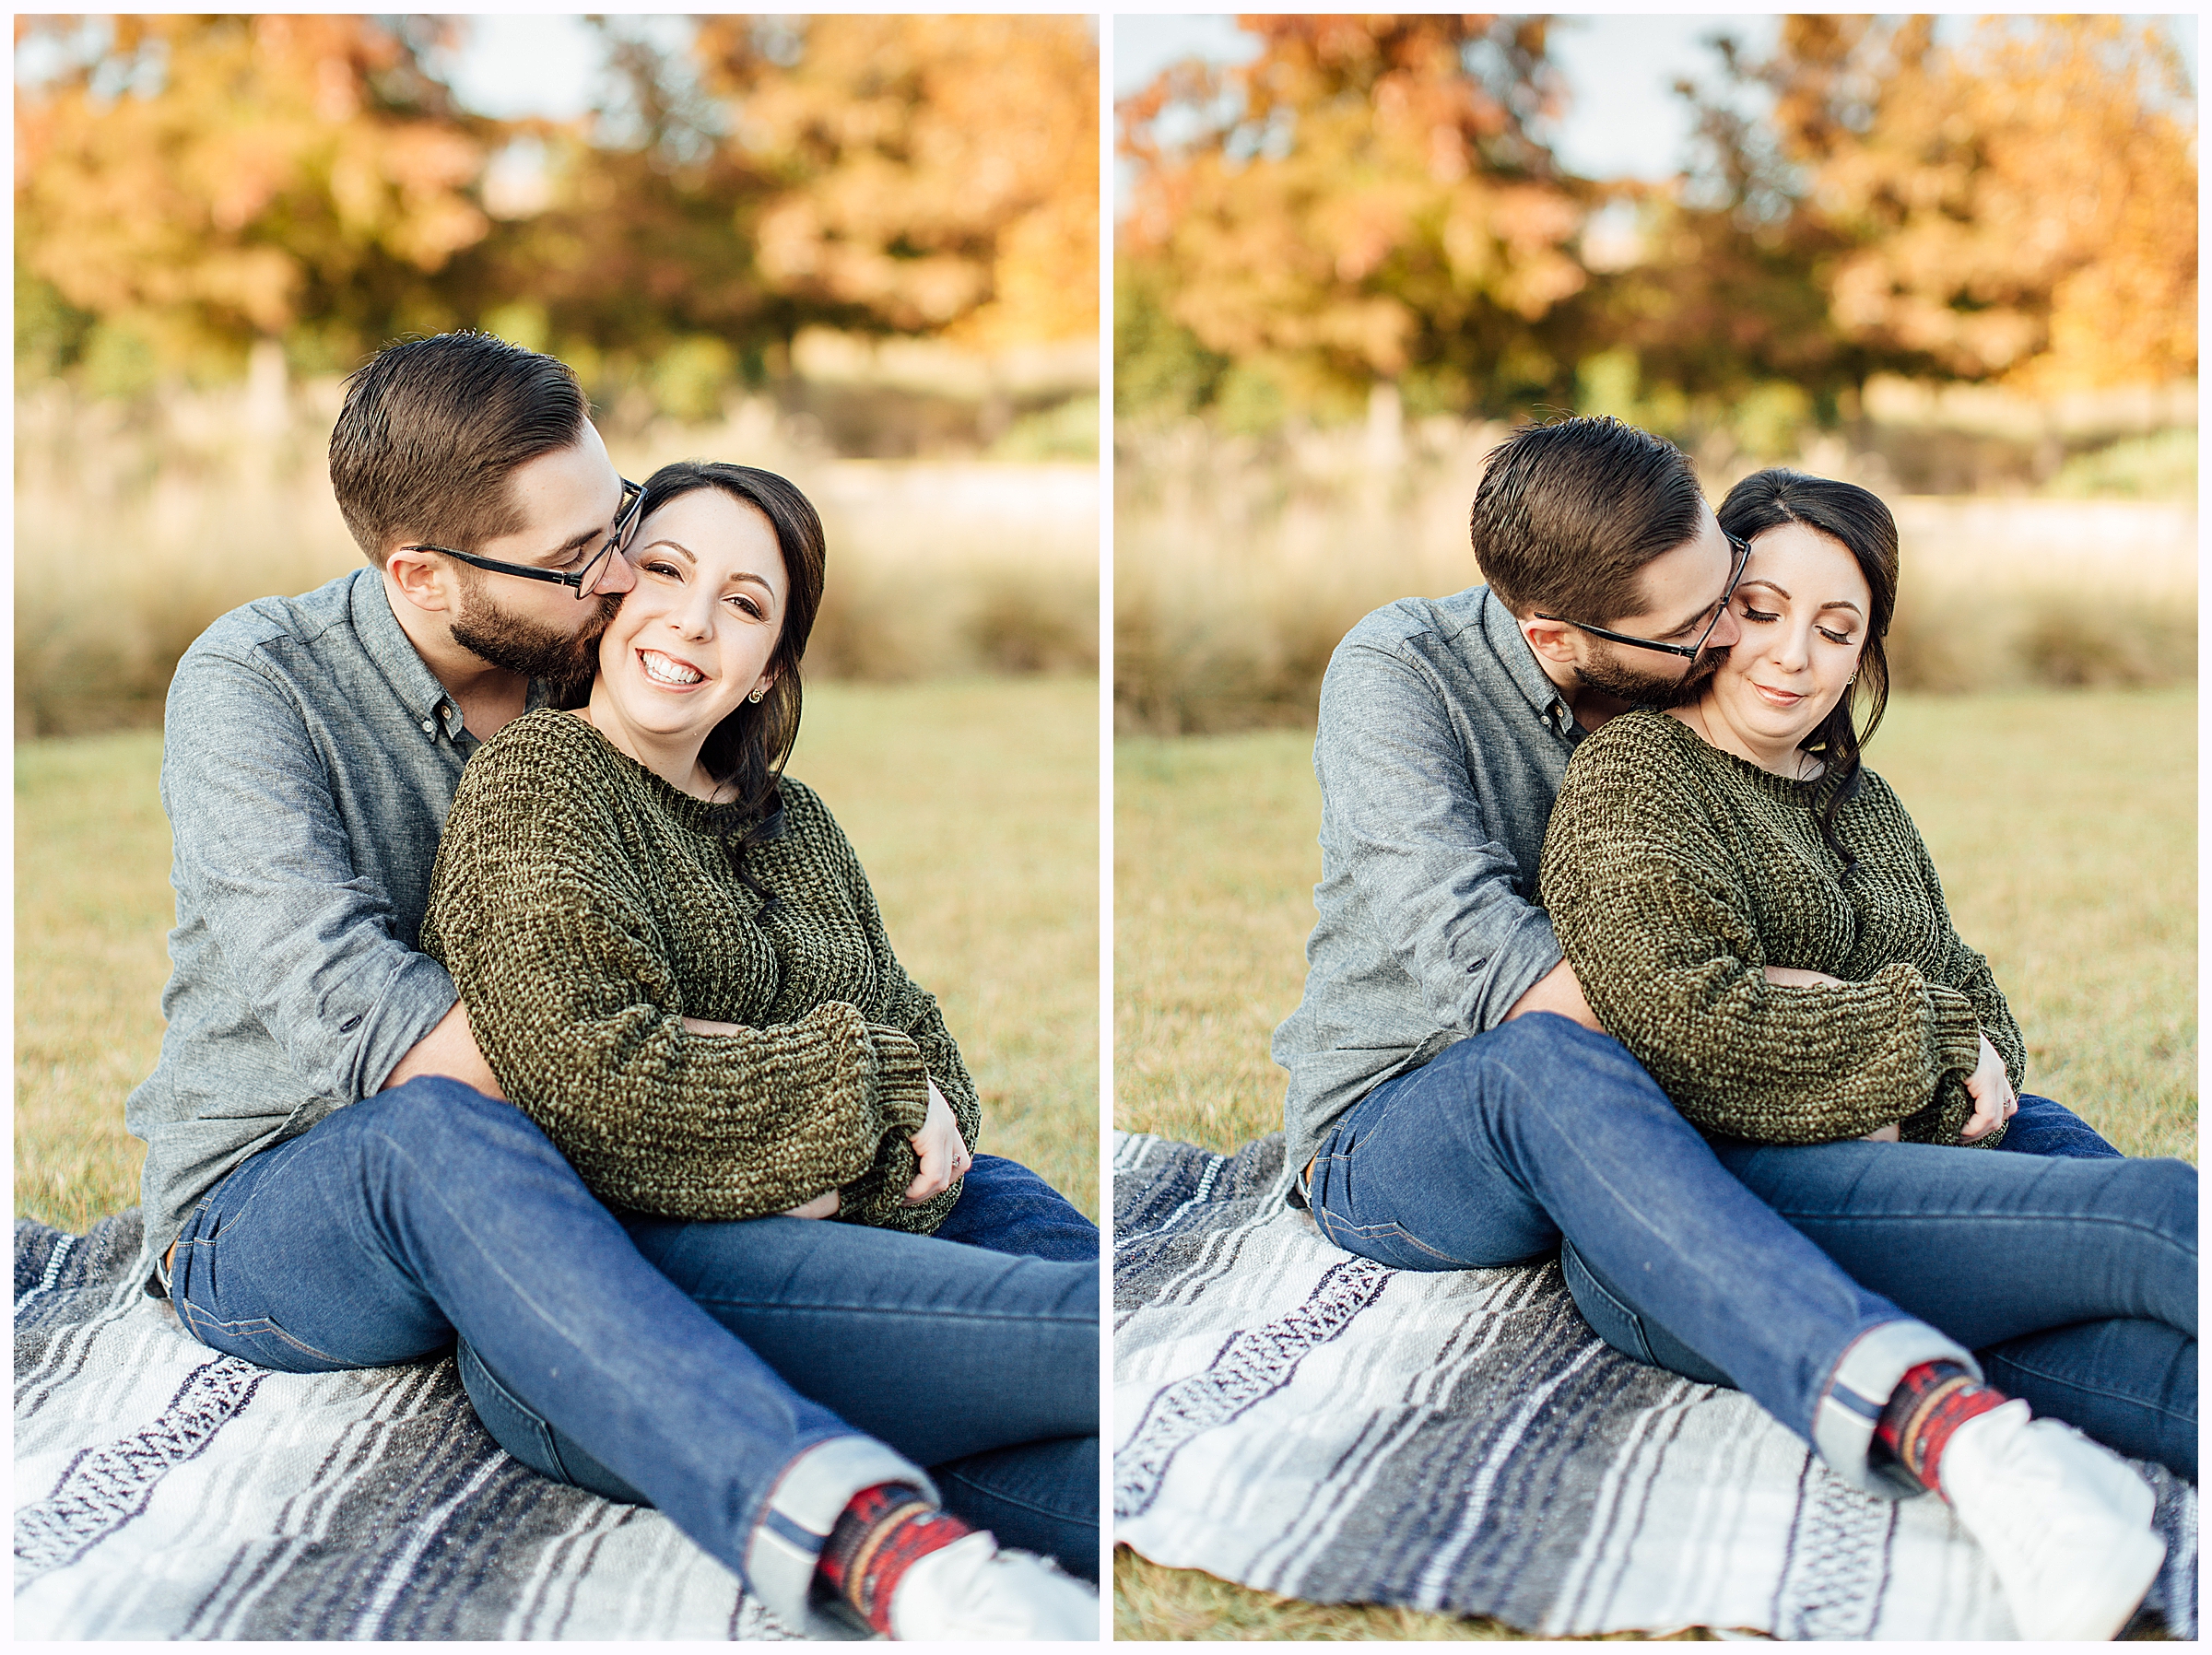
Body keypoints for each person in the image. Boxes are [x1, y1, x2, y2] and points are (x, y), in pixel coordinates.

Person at [129, 333, 1098, 1640]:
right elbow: (377, 1020)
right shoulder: (261, 688)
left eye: (621, 517)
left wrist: (793, 1089)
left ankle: (1127, 1460)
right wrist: (747, 1071)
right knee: (436, 1135)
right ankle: (862, 1533)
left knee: (992, 1194)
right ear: (423, 572)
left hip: (597, 1182)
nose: (627, 573)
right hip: (295, 1200)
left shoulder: (600, 666)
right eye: (581, 556)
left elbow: (838, 1000)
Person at [1272, 417, 2185, 1640]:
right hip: (1417, 1118)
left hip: (1666, 1146)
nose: (1734, 641)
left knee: (2066, 1167)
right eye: (1718, 617)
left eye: (1735, 597)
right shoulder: (1410, 675)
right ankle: (1942, 1428)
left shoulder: (1750, 736)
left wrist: (1878, 1032)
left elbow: (1943, 989)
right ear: (1564, 640)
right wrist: (1791, 1015)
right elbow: (1488, 951)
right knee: (1547, 1065)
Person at [414, 457, 1098, 1637]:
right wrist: (862, 1084)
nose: (691, 619)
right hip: (637, 1290)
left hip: (843, 1242)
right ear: (608, 591)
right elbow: (596, 1089)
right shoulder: (541, 782)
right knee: (1106, 1343)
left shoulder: (796, 824)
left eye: (744, 602)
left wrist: (821, 1149)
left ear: (771, 664)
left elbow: (948, 1092)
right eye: (665, 572)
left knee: (1092, 1390)